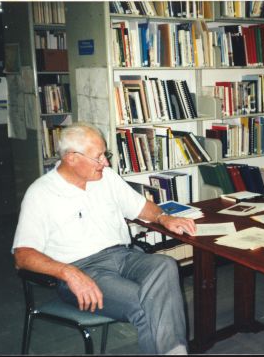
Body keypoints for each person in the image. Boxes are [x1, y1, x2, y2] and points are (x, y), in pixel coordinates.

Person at [12, 122, 196, 355]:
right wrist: (69, 273)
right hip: (82, 270)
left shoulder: (106, 177)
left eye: (105, 155)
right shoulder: (41, 193)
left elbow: (140, 207)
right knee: (149, 306)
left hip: (124, 257)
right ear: (71, 158)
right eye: (98, 157)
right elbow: (22, 256)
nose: (106, 163)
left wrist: (162, 217)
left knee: (165, 265)